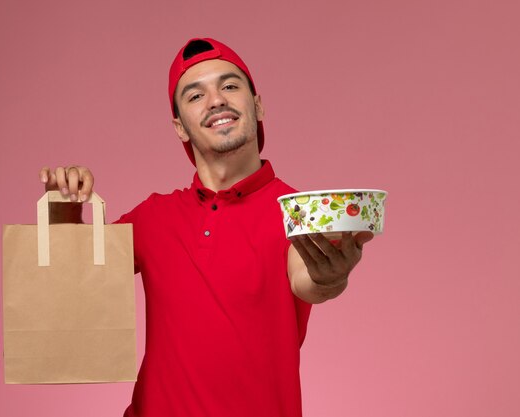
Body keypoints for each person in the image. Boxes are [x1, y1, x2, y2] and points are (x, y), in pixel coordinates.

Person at [39, 38, 373, 417]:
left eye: (229, 86)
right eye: (196, 96)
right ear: (180, 127)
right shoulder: (153, 217)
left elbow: (307, 281)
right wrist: (64, 208)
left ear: (258, 104)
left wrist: (330, 277)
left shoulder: (295, 211)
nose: (216, 100)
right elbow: (73, 281)